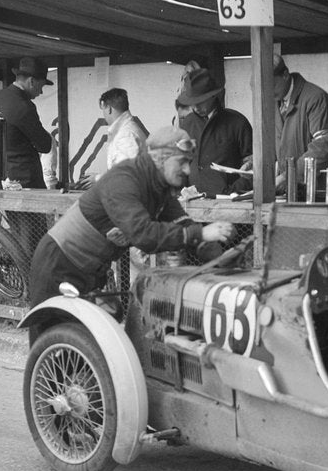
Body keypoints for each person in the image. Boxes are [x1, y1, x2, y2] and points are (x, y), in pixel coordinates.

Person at [28, 126, 237, 315]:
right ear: (160, 159)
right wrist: (200, 233)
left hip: (90, 271)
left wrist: (222, 260)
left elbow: (184, 226)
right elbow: (143, 234)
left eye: (189, 163)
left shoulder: (160, 188)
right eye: (182, 162)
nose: (187, 171)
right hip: (58, 263)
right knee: (52, 341)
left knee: (98, 337)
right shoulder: (125, 180)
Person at [0, 57, 54, 253]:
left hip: (4, 176)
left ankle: (18, 280)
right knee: (33, 239)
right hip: (27, 180)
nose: (41, 92)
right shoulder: (24, 107)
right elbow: (44, 144)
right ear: (32, 81)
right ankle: (32, 281)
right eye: (41, 86)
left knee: (16, 235)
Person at [176, 68, 253, 199]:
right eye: (192, 103)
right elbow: (180, 163)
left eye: (200, 102)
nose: (196, 107)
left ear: (213, 96)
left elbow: (254, 166)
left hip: (229, 203)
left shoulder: (237, 122)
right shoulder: (187, 124)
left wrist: (233, 191)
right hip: (194, 202)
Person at [273, 54, 328, 195]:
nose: (268, 92)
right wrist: (253, 164)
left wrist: (288, 176)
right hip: (289, 191)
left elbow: (323, 147)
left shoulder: (316, 98)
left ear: (285, 74)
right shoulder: (272, 102)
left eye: (272, 85)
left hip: (318, 191)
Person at [101, 88, 148, 168]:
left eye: (103, 110)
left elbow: (127, 176)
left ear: (109, 109)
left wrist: (99, 179)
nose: (103, 115)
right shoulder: (128, 129)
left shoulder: (126, 135)